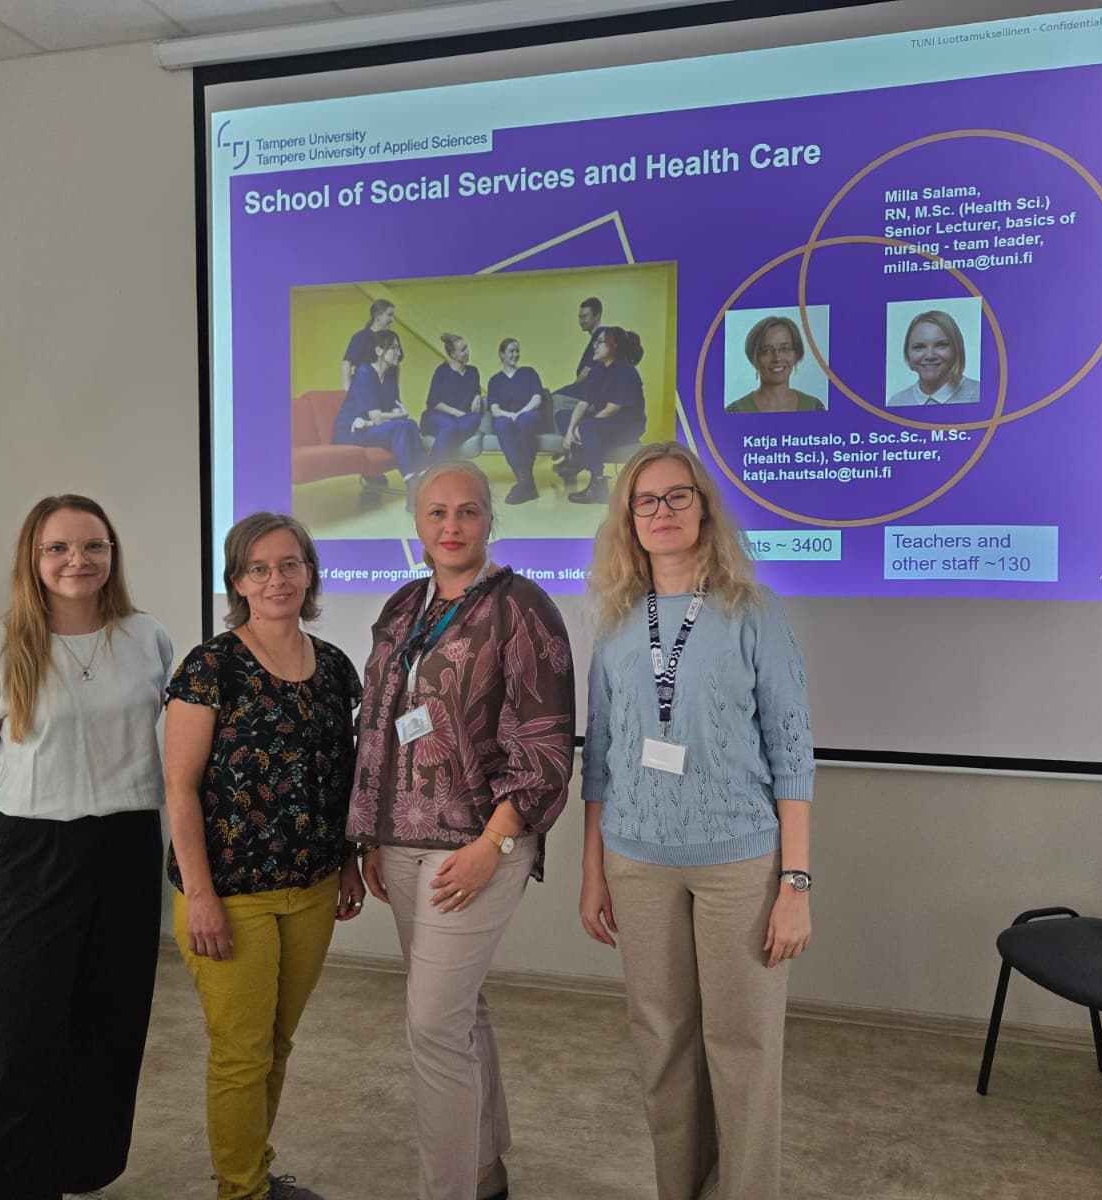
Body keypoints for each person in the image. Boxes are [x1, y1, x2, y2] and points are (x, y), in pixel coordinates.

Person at [579, 443, 814, 1200]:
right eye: (645, 502)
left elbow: (792, 748)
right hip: (636, 862)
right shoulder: (615, 623)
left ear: (704, 508)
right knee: (663, 1044)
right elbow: (603, 758)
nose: (662, 512)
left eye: (677, 496)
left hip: (738, 864)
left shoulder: (753, 609)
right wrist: (593, 870)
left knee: (743, 1049)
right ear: (628, 521)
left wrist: (796, 882)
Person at [349, 461, 575, 1200]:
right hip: (402, 841)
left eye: (469, 512)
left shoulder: (524, 608)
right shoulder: (402, 606)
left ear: (490, 521)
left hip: (480, 845)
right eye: (437, 512)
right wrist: (372, 835)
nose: (451, 526)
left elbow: (544, 744)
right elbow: (381, 725)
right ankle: (483, 1171)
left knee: (434, 1028)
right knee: (458, 1012)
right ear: (416, 523)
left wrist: (493, 846)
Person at [0, 494, 173, 1200]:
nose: (78, 561)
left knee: (110, 1022)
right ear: (32, 560)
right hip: (34, 848)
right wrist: (9, 840)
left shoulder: (147, 638)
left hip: (129, 844)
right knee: (23, 1038)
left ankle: (81, 1168)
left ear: (113, 556)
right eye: (59, 549)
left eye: (93, 546)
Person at [164, 512, 364, 1200]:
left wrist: (349, 862)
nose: (276, 578)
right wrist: (201, 896)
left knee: (276, 1045)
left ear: (309, 573)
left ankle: (253, 1173)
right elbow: (180, 789)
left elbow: (341, 778)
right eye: (259, 567)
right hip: (229, 896)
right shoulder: (210, 667)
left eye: (289, 564)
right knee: (242, 1053)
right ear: (237, 581)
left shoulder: (335, 667)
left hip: (311, 889)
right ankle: (241, 1192)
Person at [332, 328, 427, 504]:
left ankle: (425, 481)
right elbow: (378, 417)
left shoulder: (390, 377)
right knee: (400, 426)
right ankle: (413, 487)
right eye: (394, 348)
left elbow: (394, 413)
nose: (399, 353)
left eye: (399, 348)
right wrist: (399, 415)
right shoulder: (364, 373)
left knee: (411, 424)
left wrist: (399, 415)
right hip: (350, 432)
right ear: (378, 351)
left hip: (372, 429)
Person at [557, 325, 646, 505]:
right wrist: (570, 431)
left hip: (627, 425)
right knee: (563, 416)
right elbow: (583, 403)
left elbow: (614, 408)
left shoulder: (626, 371)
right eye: (595, 342)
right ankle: (581, 456)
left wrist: (582, 427)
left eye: (600, 342)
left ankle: (598, 486)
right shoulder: (597, 370)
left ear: (614, 346)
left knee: (587, 426)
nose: (594, 346)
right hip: (605, 420)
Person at [487, 336, 548, 505]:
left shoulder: (529, 373)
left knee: (524, 422)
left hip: (528, 413)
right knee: (501, 424)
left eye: (517, 351)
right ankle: (526, 482)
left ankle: (524, 484)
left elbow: (537, 399)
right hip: (505, 416)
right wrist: (509, 415)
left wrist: (520, 412)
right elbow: (494, 409)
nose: (515, 355)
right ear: (502, 355)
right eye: (511, 351)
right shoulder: (495, 380)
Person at [725, 315, 827, 414]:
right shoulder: (734, 411)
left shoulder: (815, 407)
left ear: (796, 354)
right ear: (755, 357)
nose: (777, 358)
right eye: (767, 351)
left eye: (784, 349)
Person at [886, 308, 981, 407]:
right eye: (919, 347)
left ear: (957, 349)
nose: (930, 356)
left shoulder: (979, 393)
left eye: (941, 345)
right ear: (907, 353)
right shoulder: (897, 402)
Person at [421, 332, 484, 459]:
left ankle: (437, 463)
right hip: (436, 418)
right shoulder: (442, 371)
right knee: (450, 426)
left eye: (466, 348)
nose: (467, 352)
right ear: (453, 354)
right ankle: (433, 467)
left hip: (462, 420)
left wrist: (477, 396)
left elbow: (476, 390)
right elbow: (434, 402)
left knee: (475, 418)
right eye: (462, 350)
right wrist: (458, 414)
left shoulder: (473, 372)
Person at [554, 296, 603, 399]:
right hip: (585, 390)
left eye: (584, 316)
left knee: (553, 398)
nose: (581, 321)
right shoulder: (595, 338)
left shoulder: (600, 334)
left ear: (597, 316)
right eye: (579, 317)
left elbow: (587, 371)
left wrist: (573, 387)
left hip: (588, 393)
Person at [340, 299, 395, 391]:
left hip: (385, 391)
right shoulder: (361, 337)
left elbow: (395, 366)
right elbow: (347, 363)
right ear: (378, 316)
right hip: (364, 389)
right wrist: (347, 390)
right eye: (389, 315)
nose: (392, 319)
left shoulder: (392, 337)